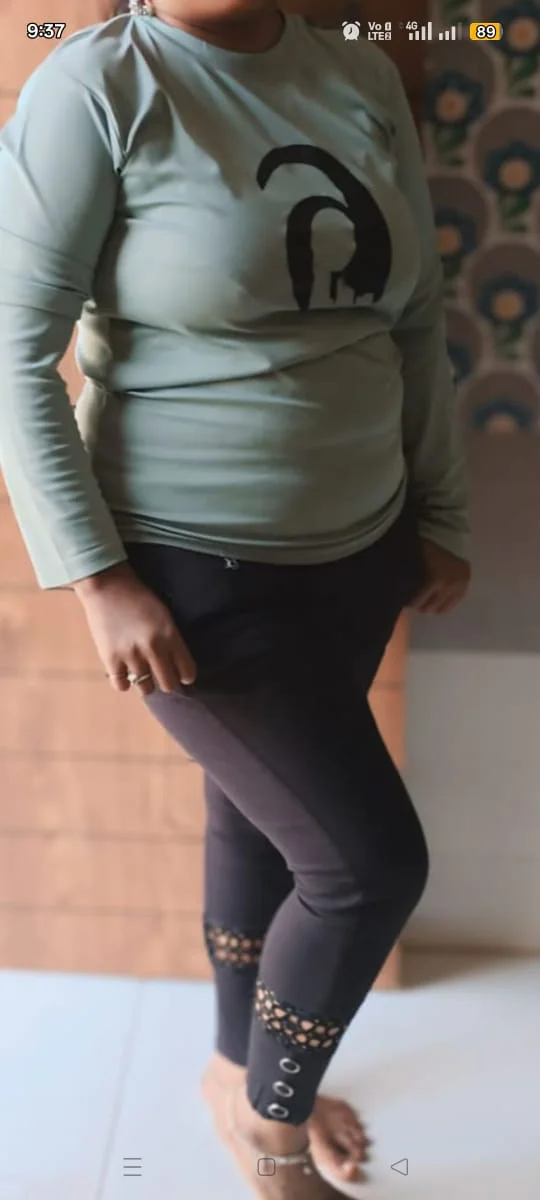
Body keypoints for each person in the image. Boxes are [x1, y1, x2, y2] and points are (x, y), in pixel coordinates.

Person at [0, 1, 471, 1195]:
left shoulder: (356, 69)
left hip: (361, 542)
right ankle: (271, 1132)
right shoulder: (98, 87)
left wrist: (439, 510)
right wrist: (98, 575)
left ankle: (230, 1067)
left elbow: (416, 318)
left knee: (261, 818)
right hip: (188, 566)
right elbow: (12, 352)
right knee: (367, 868)